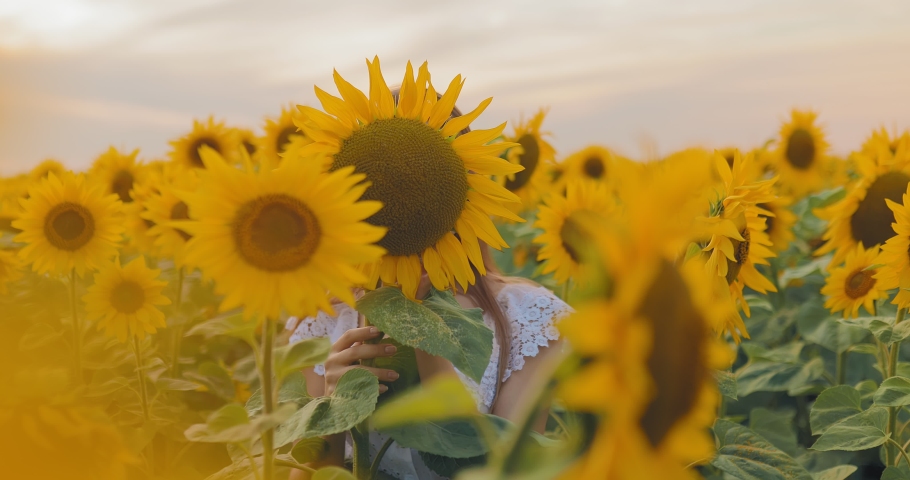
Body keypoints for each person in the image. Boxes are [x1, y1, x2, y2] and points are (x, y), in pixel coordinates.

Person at [285, 243, 571, 479]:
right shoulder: (327, 316)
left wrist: (424, 332)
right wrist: (333, 409)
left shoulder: (527, 315)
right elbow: (310, 473)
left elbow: (512, 470)